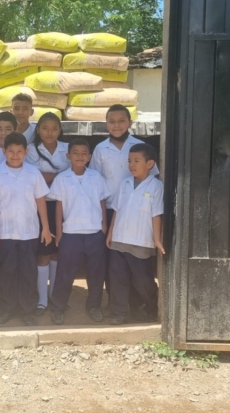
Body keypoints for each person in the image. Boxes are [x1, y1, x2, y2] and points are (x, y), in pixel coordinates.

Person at [90, 104, 159, 313]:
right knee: (114, 262)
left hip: (138, 212)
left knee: (137, 262)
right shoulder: (101, 149)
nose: (116, 125)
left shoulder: (139, 146)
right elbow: (95, 179)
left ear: (129, 123)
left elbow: (153, 177)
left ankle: (138, 303)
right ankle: (117, 305)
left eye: (121, 121)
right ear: (106, 124)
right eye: (112, 121)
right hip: (111, 210)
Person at [0, 132, 52, 326]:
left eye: (19, 151)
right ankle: (8, 308)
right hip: (5, 232)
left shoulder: (33, 173)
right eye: (10, 151)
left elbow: (40, 201)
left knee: (28, 271)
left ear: (26, 151)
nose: (15, 155)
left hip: (29, 232)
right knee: (7, 271)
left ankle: (27, 310)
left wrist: (46, 229)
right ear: (3, 151)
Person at [48, 138, 109, 325]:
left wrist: (104, 224)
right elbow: (59, 206)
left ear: (89, 157)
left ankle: (94, 306)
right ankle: (58, 307)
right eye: (75, 153)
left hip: (94, 232)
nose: (80, 157)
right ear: (68, 156)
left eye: (84, 153)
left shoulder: (96, 177)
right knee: (65, 272)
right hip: (71, 233)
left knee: (96, 273)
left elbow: (102, 202)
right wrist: (59, 231)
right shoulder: (62, 179)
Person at [106, 143, 165, 325]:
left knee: (143, 280)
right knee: (118, 278)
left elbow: (156, 214)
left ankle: (150, 307)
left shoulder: (155, 186)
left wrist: (156, 239)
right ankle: (119, 313)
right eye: (130, 161)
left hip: (141, 241)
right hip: (119, 239)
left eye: (136, 161)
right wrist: (110, 233)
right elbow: (117, 209)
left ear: (149, 164)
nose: (131, 164)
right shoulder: (124, 183)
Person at [26, 112, 69, 316]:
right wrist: (60, 176)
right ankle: (42, 298)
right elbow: (34, 175)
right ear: (38, 130)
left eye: (54, 128)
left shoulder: (67, 149)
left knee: (58, 250)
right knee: (43, 252)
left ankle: (54, 294)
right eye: (45, 128)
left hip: (63, 205)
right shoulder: (32, 150)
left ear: (60, 129)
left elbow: (73, 174)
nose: (49, 132)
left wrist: (49, 177)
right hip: (41, 206)